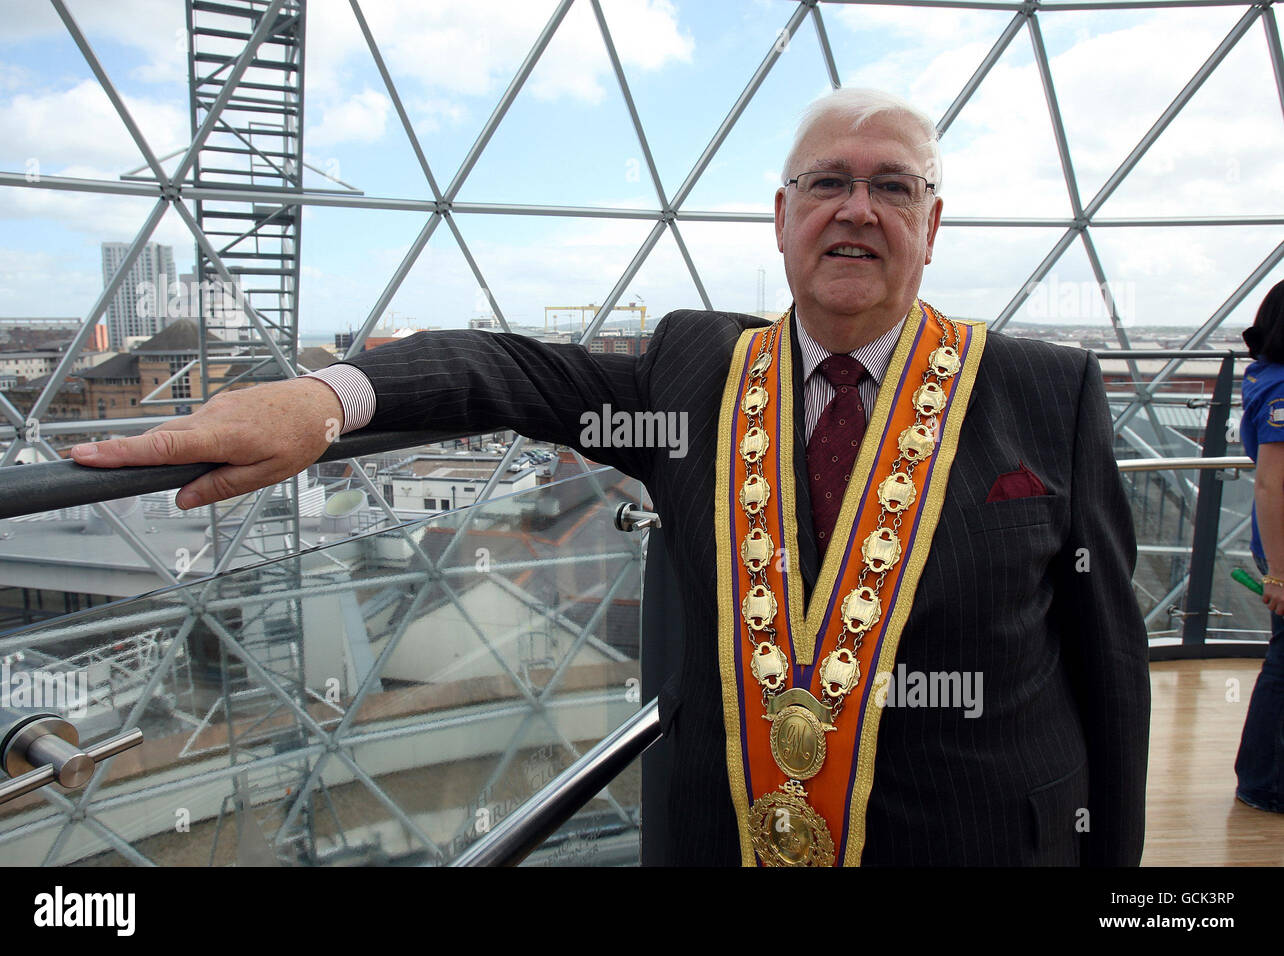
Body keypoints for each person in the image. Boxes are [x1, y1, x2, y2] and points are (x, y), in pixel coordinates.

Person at [71, 88, 1151, 866]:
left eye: (891, 186)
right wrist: (320, 399)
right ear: (781, 220)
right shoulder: (696, 374)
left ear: (932, 223)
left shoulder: (1043, 392)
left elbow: (1109, 667)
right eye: (826, 182)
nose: (856, 208)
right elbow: (504, 368)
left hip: (976, 840)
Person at [1236, 280, 1284, 813]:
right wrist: (1278, 573)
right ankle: (1264, 780)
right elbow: (1273, 484)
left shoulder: (1266, 377)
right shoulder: (1282, 390)